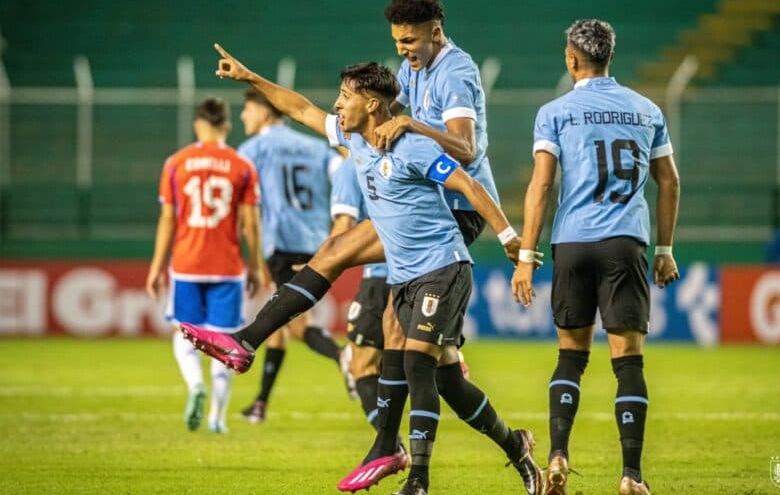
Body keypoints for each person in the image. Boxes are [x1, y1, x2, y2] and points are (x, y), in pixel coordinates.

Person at [182, 58, 543, 495]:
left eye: (345, 97)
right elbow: (299, 109)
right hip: (405, 275)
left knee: (416, 364)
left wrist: (510, 238)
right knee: (447, 379)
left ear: (371, 104)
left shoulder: (411, 147)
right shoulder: (356, 139)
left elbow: (468, 185)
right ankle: (515, 445)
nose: (336, 105)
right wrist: (251, 78)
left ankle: (418, 481)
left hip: (443, 268)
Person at [511, 19, 681, 495]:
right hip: (625, 241)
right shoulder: (646, 109)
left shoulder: (555, 112)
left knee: (570, 356)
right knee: (628, 362)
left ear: (571, 59)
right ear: (610, 57)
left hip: (572, 242)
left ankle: (558, 456)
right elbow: (668, 180)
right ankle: (631, 475)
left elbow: (542, 184)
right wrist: (664, 250)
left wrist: (526, 255)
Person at [145, 97, 264, 434]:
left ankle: (195, 384)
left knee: (185, 332)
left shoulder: (176, 163)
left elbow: (168, 219)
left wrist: (156, 267)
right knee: (224, 340)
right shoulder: (242, 166)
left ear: (198, 125)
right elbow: (251, 224)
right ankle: (217, 417)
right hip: (227, 266)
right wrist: (256, 265)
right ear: (227, 126)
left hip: (186, 263)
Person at [237, 88, 348, 424]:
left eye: (248, 110)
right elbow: (344, 169)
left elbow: (245, 202)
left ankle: (344, 357)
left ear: (263, 111)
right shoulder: (314, 146)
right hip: (317, 242)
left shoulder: (252, 150)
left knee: (296, 324)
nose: (244, 117)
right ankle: (260, 404)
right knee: (279, 324)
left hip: (282, 244)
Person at [329, 156, 391, 432]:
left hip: (381, 276)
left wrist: (319, 265)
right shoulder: (407, 151)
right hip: (429, 270)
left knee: (362, 364)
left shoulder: (351, 165)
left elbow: (343, 226)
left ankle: (389, 444)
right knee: (415, 360)